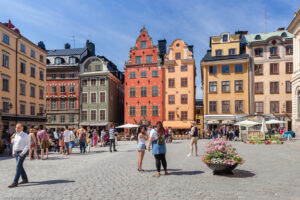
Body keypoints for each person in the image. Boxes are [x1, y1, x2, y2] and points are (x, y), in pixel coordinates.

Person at [8, 123, 30, 188]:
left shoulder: (25, 135)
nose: (16, 129)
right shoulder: (15, 135)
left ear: (22, 128)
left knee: (18, 167)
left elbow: (27, 146)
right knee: (20, 166)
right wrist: (13, 152)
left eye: (18, 127)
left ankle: (15, 182)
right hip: (16, 152)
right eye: (16, 127)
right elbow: (14, 144)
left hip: (22, 153)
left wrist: (22, 153)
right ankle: (25, 179)